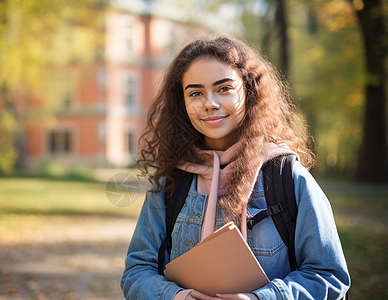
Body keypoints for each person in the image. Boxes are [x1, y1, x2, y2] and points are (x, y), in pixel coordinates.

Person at [120, 36, 350, 300]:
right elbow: (136, 272)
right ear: (182, 102)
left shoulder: (287, 176)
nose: (210, 103)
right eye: (195, 93)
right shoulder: (172, 181)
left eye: (224, 88)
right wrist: (176, 297)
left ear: (249, 90)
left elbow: (329, 275)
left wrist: (261, 298)